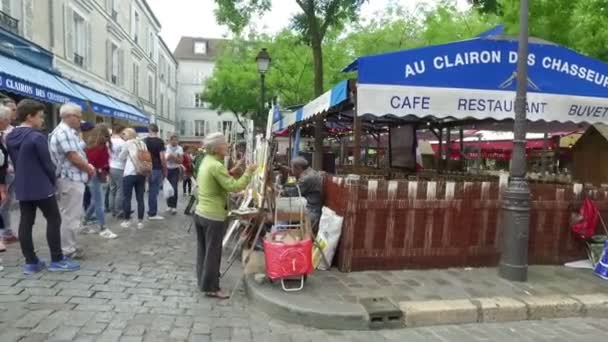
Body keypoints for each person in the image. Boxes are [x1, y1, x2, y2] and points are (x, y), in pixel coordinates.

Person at [6, 100, 80, 273]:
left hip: (23, 185)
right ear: (30, 117)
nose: (42, 119)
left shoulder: (10, 137)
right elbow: (47, 164)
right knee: (54, 219)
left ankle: (31, 262)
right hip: (41, 185)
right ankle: (57, 259)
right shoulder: (37, 137)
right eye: (40, 116)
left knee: (26, 222)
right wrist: (53, 181)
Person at [195, 132, 256, 299]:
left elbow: (218, 181)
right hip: (212, 215)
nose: (228, 145)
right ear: (216, 148)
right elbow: (234, 186)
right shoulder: (216, 165)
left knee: (204, 251)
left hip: (201, 212)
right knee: (213, 253)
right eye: (225, 143)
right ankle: (212, 288)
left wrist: (233, 171)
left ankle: (203, 280)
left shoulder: (207, 161)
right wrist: (249, 172)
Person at [49, 103, 94, 259]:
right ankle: (68, 250)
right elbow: (73, 156)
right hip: (70, 179)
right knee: (70, 217)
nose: (80, 119)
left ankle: (69, 247)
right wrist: (88, 168)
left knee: (70, 215)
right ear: (68, 116)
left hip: (70, 178)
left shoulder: (68, 132)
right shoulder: (64, 132)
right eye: (78, 116)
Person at [83, 124, 117, 239]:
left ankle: (84, 222)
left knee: (95, 201)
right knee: (99, 203)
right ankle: (103, 227)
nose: (108, 138)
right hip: (94, 175)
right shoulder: (97, 147)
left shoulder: (91, 146)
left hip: (93, 175)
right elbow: (95, 163)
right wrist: (104, 170)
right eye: (106, 135)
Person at [287, 157, 323, 234]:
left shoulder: (307, 178)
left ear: (298, 168)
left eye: (292, 167)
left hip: (311, 211)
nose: (291, 169)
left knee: (284, 216)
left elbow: (293, 192)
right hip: (311, 207)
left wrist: (280, 189)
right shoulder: (310, 172)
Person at [120, 128, 146, 230]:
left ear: (128, 135)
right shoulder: (143, 143)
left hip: (129, 173)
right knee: (140, 198)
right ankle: (140, 222)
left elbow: (121, 157)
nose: (123, 136)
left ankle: (127, 221)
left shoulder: (128, 143)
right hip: (141, 172)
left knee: (127, 198)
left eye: (124, 134)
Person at [0, 98, 18, 245]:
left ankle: (7, 231)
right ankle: (4, 232)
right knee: (3, 201)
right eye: (12, 109)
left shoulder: (11, 130)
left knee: (7, 202)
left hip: (10, 172)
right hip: (6, 172)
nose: (15, 112)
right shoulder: (5, 132)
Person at [143, 124, 166, 220]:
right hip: (156, 167)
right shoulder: (160, 142)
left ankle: (148, 211)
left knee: (148, 190)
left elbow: (141, 154)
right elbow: (162, 157)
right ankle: (152, 213)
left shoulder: (144, 141)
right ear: (157, 130)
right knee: (153, 190)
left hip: (146, 167)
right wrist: (164, 168)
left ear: (149, 130)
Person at [109, 125, 126, 218]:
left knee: (112, 189)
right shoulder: (122, 142)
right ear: (121, 131)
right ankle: (119, 210)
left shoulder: (109, 141)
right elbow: (124, 156)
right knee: (120, 189)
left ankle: (112, 209)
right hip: (119, 167)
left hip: (110, 166)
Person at [165, 135, 183, 214]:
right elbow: (165, 159)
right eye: (173, 140)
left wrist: (172, 156)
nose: (175, 142)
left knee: (174, 188)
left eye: (176, 140)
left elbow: (180, 161)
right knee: (168, 188)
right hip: (167, 169)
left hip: (175, 170)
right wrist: (174, 157)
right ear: (170, 140)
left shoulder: (180, 148)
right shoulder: (166, 147)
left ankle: (174, 207)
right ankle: (169, 205)